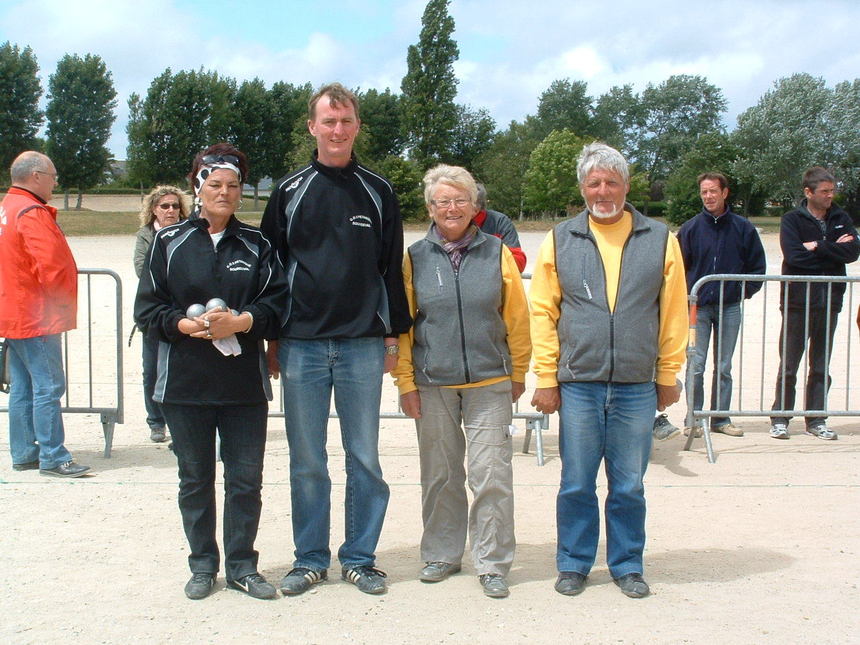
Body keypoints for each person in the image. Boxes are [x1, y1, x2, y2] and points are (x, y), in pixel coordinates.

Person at [260, 83, 412, 596]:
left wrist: (392, 336)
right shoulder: (289, 191)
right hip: (301, 344)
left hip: (361, 344)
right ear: (313, 127)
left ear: (357, 127)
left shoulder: (378, 190)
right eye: (329, 121)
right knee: (307, 460)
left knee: (364, 457)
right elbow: (270, 271)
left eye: (346, 121)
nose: (338, 129)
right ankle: (309, 559)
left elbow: (390, 269)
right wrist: (273, 338)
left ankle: (360, 558)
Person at [530, 142, 687, 598]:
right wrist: (546, 377)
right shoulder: (561, 238)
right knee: (576, 483)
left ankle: (627, 565)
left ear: (626, 186)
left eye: (611, 182)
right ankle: (574, 563)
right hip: (579, 383)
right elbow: (543, 311)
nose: (603, 191)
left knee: (629, 485)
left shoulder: (660, 238)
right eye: (594, 183)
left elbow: (673, 313)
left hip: (636, 385)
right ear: (583, 188)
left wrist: (667, 373)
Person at [134, 143, 288, 600]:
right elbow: (148, 309)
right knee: (195, 479)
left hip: (243, 387)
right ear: (198, 188)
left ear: (242, 191)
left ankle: (242, 566)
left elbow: (277, 305)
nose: (224, 192)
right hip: (185, 385)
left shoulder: (258, 244)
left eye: (233, 185)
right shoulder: (168, 241)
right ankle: (203, 564)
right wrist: (183, 325)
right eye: (215, 184)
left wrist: (242, 322)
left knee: (245, 480)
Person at [392, 165, 531, 599]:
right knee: (440, 474)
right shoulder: (414, 257)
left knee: (491, 474)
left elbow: (517, 317)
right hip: (432, 383)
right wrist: (405, 382)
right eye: (442, 201)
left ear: (474, 206)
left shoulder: (498, 252)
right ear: (430, 208)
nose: (451, 208)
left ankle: (492, 562)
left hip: (490, 381)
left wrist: (518, 372)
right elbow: (403, 326)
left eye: (460, 200)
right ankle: (441, 553)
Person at [0, 151, 90, 477]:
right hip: (36, 315)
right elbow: (52, 265)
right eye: (53, 176)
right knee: (49, 386)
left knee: (23, 386)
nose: (55, 182)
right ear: (36, 176)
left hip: (14, 311)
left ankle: (25, 452)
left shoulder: (8, 207)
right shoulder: (31, 211)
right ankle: (53, 456)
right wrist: (61, 306)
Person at [671, 172, 766, 439]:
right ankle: (693, 418)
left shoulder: (743, 228)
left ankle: (720, 418)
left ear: (724, 193)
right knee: (696, 365)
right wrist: (686, 296)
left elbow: (757, 267)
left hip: (729, 307)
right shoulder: (690, 228)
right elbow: (677, 268)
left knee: (724, 366)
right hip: (698, 309)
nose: (708, 196)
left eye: (713, 191)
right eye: (704, 192)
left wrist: (740, 292)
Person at [770, 167, 859, 440]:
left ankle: (816, 419)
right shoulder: (792, 220)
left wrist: (818, 246)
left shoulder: (841, 218)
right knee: (789, 365)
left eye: (832, 191)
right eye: (825, 191)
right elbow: (795, 257)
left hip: (830, 301)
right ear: (808, 192)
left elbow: (852, 252)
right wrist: (833, 248)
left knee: (820, 365)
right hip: (798, 303)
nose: (830, 196)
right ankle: (780, 418)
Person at [133, 185, 189, 443]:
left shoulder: (189, 231)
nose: (170, 210)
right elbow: (141, 268)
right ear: (154, 209)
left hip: (185, 312)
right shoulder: (146, 234)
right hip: (156, 312)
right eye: (165, 206)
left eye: (175, 206)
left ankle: (181, 427)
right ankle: (156, 421)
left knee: (181, 371)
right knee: (151, 371)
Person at [474, 183, 527, 272]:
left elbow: (518, 263)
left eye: (461, 201)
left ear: (478, 205)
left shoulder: (499, 221)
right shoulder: (451, 223)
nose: (453, 208)